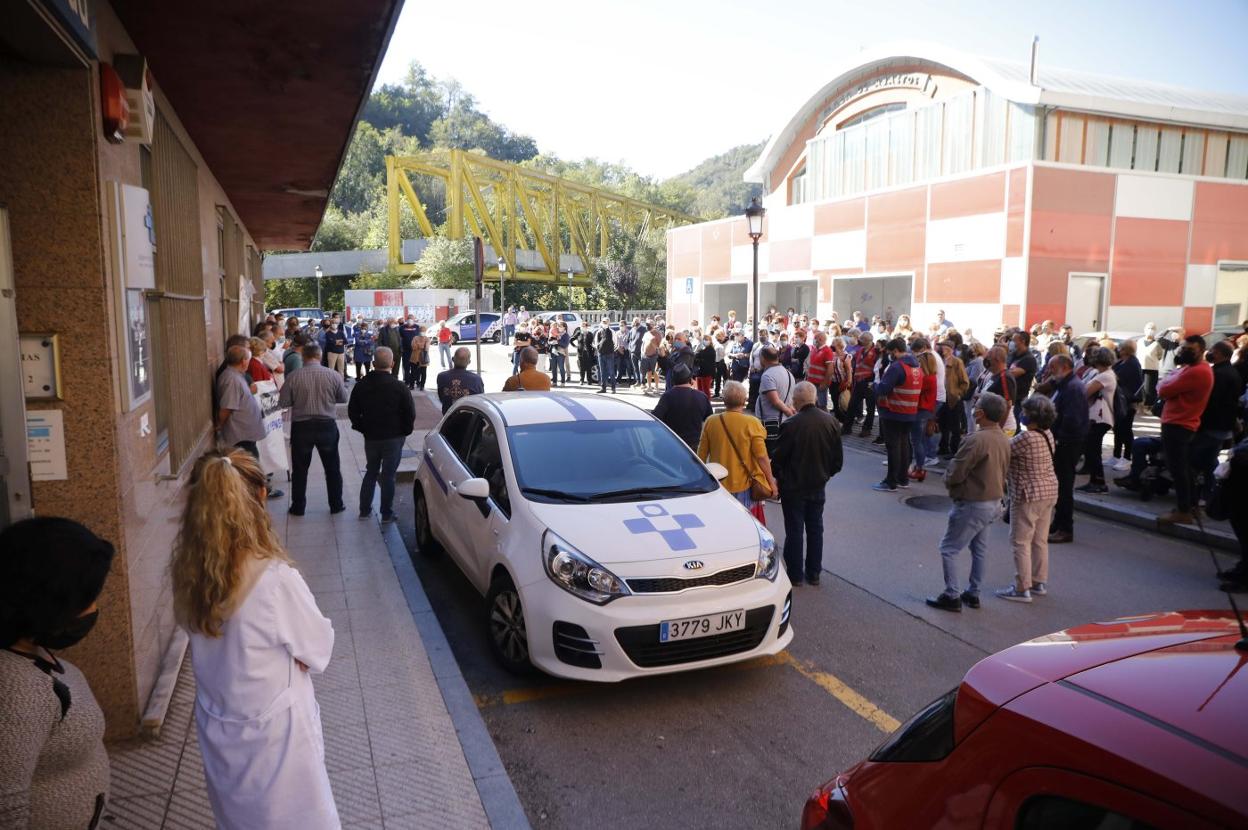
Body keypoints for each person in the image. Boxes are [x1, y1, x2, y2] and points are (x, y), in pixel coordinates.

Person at [170, 449, 338, 830]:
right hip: (276, 738)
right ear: (260, 497)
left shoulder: (189, 573)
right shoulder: (274, 579)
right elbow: (320, 648)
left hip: (219, 726)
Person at [0, 517, 114, 829]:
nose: (94, 607)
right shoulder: (16, 690)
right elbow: (6, 808)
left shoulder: (26, 646)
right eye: (87, 597)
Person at [925, 392, 1011, 612]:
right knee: (979, 548)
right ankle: (973, 592)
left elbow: (957, 470)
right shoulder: (1002, 437)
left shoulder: (977, 439)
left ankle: (951, 594)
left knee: (949, 548)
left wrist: (951, 485)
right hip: (994, 501)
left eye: (977, 406)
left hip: (974, 501)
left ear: (980, 413)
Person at [772, 381, 843, 586]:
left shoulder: (791, 424)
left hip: (793, 486)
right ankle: (814, 572)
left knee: (794, 530)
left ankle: (795, 575)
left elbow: (778, 458)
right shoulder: (831, 422)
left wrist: (779, 476)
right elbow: (837, 461)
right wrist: (824, 474)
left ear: (796, 400)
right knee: (815, 528)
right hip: (817, 483)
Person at [996, 395, 1060, 602]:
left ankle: (1022, 588)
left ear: (1032, 416)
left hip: (1028, 494)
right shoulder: (1047, 433)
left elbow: (1003, 448)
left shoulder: (1027, 438)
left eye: (1024, 413)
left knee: (1020, 541)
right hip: (1048, 491)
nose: (1021, 415)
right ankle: (1039, 582)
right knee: (1039, 540)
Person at [278, 342, 348, 516]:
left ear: (303, 356)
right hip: (327, 426)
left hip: (302, 427)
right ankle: (336, 504)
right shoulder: (333, 375)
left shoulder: (294, 376)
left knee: (300, 469)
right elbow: (343, 398)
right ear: (320, 355)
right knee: (332, 467)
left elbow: (283, 402)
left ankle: (298, 506)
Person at [348, 347, 415, 522]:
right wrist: (405, 431)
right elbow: (409, 412)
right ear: (392, 364)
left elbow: (353, 411)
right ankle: (386, 513)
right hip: (394, 437)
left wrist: (362, 427)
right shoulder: (399, 386)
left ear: (373, 364)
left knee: (371, 471)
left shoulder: (361, 385)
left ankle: (364, 511)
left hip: (371, 436)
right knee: (388, 475)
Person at [1156, 335, 1215, 525]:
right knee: (1184, 469)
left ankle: (1183, 510)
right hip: (1180, 423)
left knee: (1178, 469)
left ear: (1202, 351)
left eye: (1191, 349)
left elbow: (1162, 390)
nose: (1185, 352)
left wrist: (1166, 383)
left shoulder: (1197, 372)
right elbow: (1166, 384)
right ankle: (1191, 506)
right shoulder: (1191, 368)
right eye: (1184, 348)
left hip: (1179, 424)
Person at [698, 381, 777, 513]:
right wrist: (771, 483)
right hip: (744, 485)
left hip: (719, 484)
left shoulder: (711, 421)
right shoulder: (752, 423)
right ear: (744, 400)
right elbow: (762, 457)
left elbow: (701, 455)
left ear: (724, 400)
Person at [1191, 341, 1245, 504]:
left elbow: (1211, 401)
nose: (1210, 353)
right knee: (1209, 461)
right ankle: (1209, 495)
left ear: (1220, 354)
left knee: (1198, 460)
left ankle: (1200, 496)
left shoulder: (1219, 374)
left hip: (1211, 424)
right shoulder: (1231, 372)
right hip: (1221, 424)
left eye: (1213, 351)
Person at [1046, 354, 1089, 543]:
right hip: (1063, 441)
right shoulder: (1065, 385)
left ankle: (1065, 528)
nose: (1050, 372)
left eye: (1053, 368)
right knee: (1059, 486)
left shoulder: (1073, 388)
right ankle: (1058, 522)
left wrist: (1060, 439)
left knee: (1064, 486)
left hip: (1067, 443)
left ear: (1064, 367)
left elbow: (1072, 419)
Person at [872, 338, 922, 492]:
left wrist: (874, 385)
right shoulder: (916, 366)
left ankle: (891, 481)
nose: (889, 356)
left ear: (895, 351)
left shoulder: (897, 367)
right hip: (910, 412)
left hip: (894, 411)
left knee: (893, 447)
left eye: (889, 353)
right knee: (904, 445)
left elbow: (884, 389)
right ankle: (903, 478)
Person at [1074, 347, 1117, 494]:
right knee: (1092, 450)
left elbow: (1085, 392)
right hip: (1098, 418)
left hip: (1099, 418)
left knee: (1092, 450)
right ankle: (1095, 481)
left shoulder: (1103, 376)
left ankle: (1099, 482)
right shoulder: (1105, 374)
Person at [215, 345, 265, 460]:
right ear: (243, 361)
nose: (249, 362)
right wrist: (219, 425)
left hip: (246, 433)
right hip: (240, 434)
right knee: (248, 463)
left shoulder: (236, 375)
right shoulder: (231, 379)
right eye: (249, 359)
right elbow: (227, 407)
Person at [654, 364, 713, 450]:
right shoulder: (702, 396)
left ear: (673, 381)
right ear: (690, 380)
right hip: (695, 445)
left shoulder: (667, 397)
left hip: (673, 443)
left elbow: (656, 417)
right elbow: (709, 420)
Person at [755, 346, 796, 459]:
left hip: (771, 424)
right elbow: (790, 398)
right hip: (783, 422)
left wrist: (788, 411)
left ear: (763, 358)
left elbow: (775, 400)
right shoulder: (788, 373)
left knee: (769, 458)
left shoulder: (767, 376)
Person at [1110, 339, 1143, 471]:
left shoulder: (1132, 363)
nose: (1118, 349)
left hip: (1128, 402)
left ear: (1125, 350)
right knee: (1117, 429)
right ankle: (1116, 455)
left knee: (1126, 429)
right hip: (1120, 401)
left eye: (1120, 348)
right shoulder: (1122, 362)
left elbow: (1118, 377)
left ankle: (1127, 457)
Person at [908, 350, 940, 483]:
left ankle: (920, 468)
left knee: (917, 441)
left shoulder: (926, 378)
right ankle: (918, 466)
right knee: (919, 440)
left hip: (921, 410)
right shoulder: (932, 377)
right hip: (925, 410)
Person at [938, 340, 970, 457]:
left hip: (953, 397)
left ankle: (954, 450)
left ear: (950, 349)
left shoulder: (957, 362)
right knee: (943, 424)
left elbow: (964, 381)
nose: (942, 349)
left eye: (944, 347)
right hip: (942, 396)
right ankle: (943, 447)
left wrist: (958, 394)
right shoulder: (940, 361)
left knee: (955, 426)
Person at [437, 346, 485, 413]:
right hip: (469, 418)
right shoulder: (476, 379)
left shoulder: (442, 376)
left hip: (448, 416)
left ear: (453, 359)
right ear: (469, 362)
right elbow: (480, 400)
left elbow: (442, 397)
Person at [596, 322, 617, 394]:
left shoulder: (612, 331)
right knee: (602, 372)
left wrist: (611, 351)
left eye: (606, 322)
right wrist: (599, 350)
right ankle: (603, 388)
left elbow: (616, 343)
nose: (605, 323)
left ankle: (613, 388)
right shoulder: (599, 332)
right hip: (601, 354)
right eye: (604, 322)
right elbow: (596, 342)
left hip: (609, 354)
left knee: (611, 372)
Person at [693, 333, 717, 398]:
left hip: (707, 373)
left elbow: (700, 357)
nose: (705, 341)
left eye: (707, 339)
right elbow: (695, 357)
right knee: (699, 390)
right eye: (704, 339)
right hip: (699, 373)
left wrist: (698, 356)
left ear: (710, 340)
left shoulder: (711, 350)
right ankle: (700, 403)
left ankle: (706, 404)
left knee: (705, 391)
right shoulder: (702, 349)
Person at [409, 325, 430, 391]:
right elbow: (413, 346)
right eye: (421, 331)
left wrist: (418, 344)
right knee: (413, 372)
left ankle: (422, 385)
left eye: (424, 331)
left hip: (423, 358)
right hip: (414, 358)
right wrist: (421, 345)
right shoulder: (415, 337)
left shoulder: (427, 338)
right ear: (419, 331)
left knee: (423, 373)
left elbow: (426, 348)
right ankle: (411, 385)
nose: (422, 332)